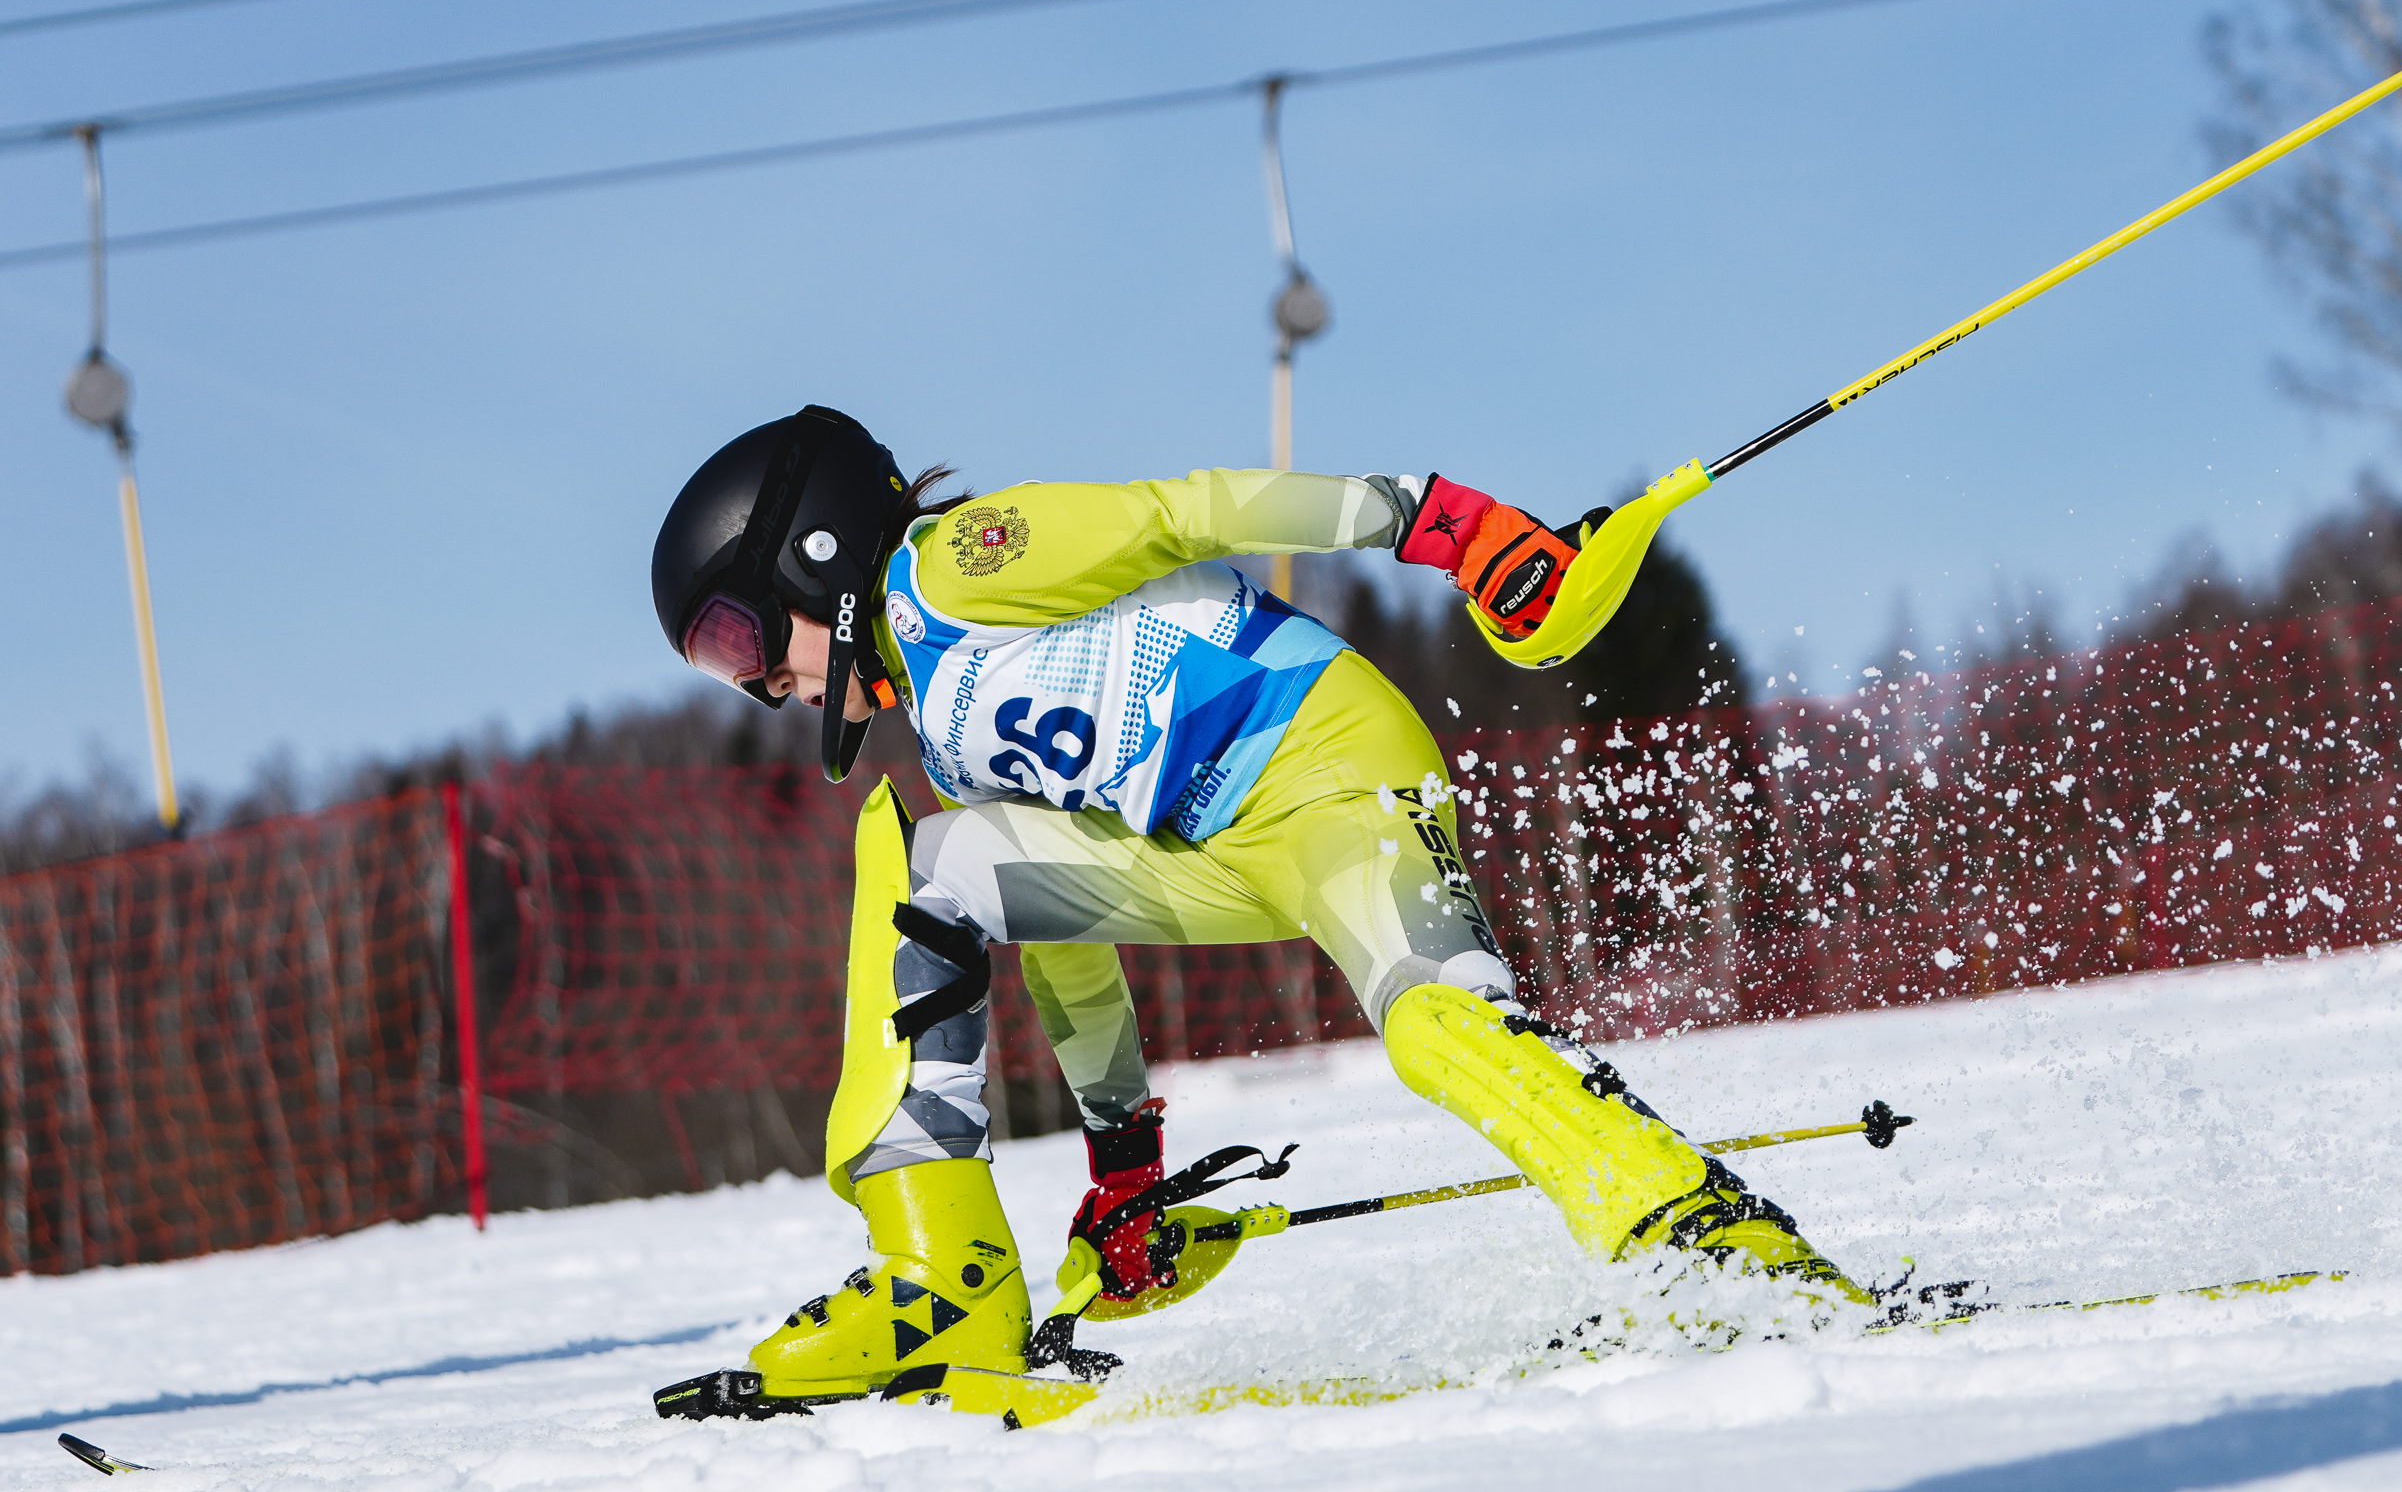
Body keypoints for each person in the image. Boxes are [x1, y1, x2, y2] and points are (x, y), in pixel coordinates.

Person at [648, 405, 1858, 1412]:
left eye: (737, 633)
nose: (755, 681)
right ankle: (938, 1279)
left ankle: (1703, 1239)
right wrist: (1124, 1165)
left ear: (814, 551)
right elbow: (1067, 945)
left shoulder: (957, 564)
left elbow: (1197, 508)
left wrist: (1451, 529)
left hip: (1324, 771)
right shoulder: (945, 724)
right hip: (1212, 851)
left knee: (1436, 1030)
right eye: (720, 662)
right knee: (931, 868)